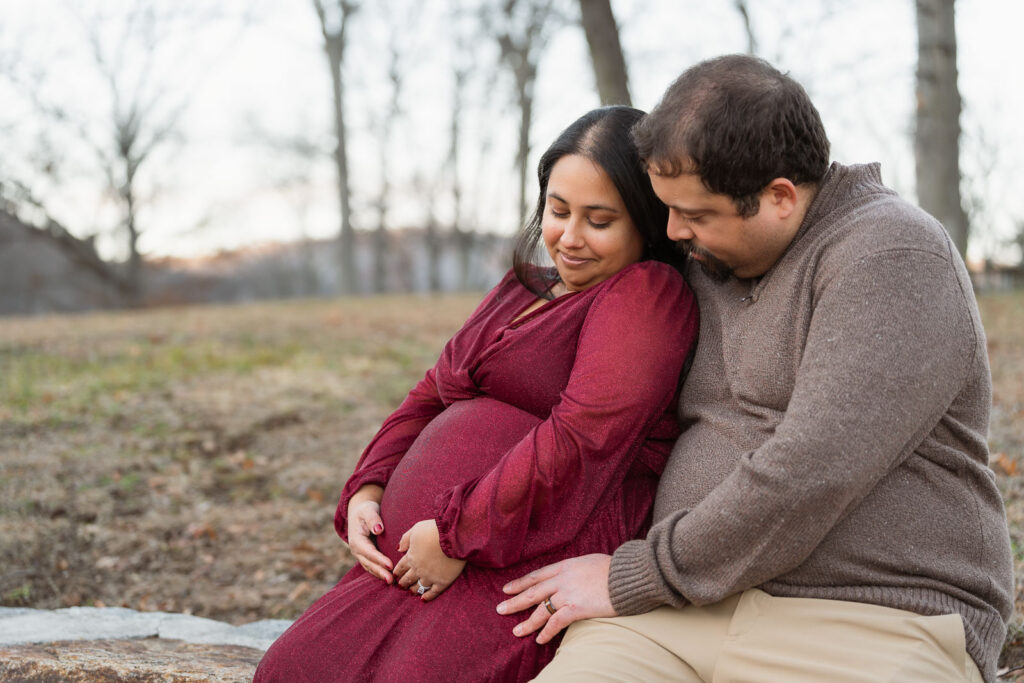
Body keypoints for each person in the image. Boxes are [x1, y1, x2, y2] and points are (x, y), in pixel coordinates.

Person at [498, 55, 1015, 682]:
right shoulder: (702, 258)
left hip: (870, 617)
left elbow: (813, 468)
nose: (672, 230)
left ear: (779, 197)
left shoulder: (890, 252)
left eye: (695, 214)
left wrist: (638, 573)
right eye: (666, 208)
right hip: (674, 617)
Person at [253, 105, 699, 682]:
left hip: (528, 549)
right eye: (558, 211)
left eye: (600, 220)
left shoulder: (647, 294)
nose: (569, 236)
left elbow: (585, 436)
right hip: (414, 559)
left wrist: (456, 535)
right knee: (293, 669)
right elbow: (431, 394)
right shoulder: (522, 288)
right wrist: (368, 487)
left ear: (644, 221)